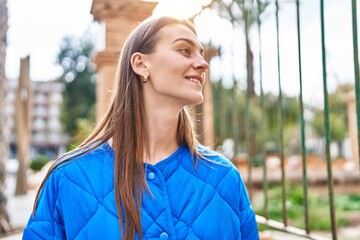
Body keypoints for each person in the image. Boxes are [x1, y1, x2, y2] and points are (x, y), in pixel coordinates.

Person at [23, 16, 259, 240]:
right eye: (185, 50)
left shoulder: (225, 176)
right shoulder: (68, 178)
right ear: (140, 63)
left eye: (201, 53)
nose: (202, 63)